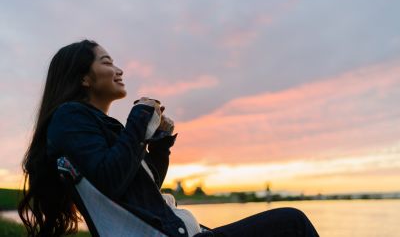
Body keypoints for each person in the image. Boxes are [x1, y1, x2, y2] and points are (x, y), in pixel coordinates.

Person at [18, 39, 319, 237]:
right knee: (292, 223)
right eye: (107, 62)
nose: (119, 70)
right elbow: (109, 180)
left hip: (173, 230)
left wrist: (158, 147)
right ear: (84, 77)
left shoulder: (96, 125)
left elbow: (138, 192)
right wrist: (138, 118)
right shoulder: (70, 117)